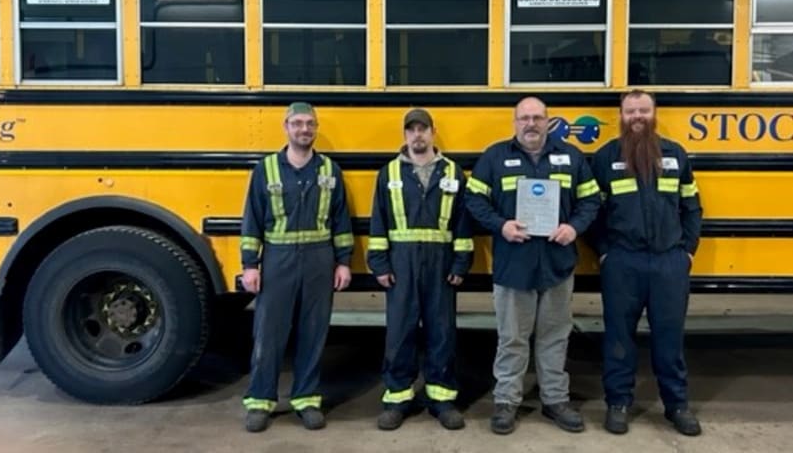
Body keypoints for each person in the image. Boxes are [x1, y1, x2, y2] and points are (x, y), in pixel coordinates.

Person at [465, 96, 601, 435]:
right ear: (515, 123)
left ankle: (555, 400)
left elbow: (591, 199)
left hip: (556, 265)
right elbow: (473, 199)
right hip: (514, 266)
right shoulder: (496, 157)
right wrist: (501, 225)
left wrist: (574, 228)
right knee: (512, 338)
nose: (531, 124)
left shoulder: (571, 157)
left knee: (555, 337)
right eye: (524, 118)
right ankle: (506, 401)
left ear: (548, 121)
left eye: (537, 118)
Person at [590, 89, 703, 437]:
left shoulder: (675, 154)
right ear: (620, 116)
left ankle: (677, 405)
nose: (636, 117)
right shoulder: (605, 157)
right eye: (630, 111)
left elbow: (692, 206)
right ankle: (618, 403)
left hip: (669, 262)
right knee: (619, 338)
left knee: (670, 338)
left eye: (643, 110)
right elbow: (592, 211)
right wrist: (605, 252)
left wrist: (686, 251)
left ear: (654, 114)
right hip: (623, 262)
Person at [239, 102, 354, 433]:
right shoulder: (266, 170)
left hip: (320, 259)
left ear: (315, 129)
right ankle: (260, 401)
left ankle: (306, 399)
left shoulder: (330, 171)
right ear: (286, 127)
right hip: (278, 259)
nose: (304, 129)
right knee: (269, 333)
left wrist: (343, 262)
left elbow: (340, 219)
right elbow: (252, 220)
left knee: (313, 332)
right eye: (298, 123)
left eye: (310, 124)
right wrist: (250, 265)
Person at [367, 108, 474, 431]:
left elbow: (462, 222)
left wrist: (460, 262)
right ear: (404, 135)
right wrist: (380, 264)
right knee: (400, 333)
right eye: (411, 130)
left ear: (432, 132)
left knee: (442, 331)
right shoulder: (389, 173)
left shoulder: (453, 172)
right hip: (400, 264)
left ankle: (441, 399)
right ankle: (397, 398)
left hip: (441, 265)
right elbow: (378, 220)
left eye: (423, 129)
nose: (417, 135)